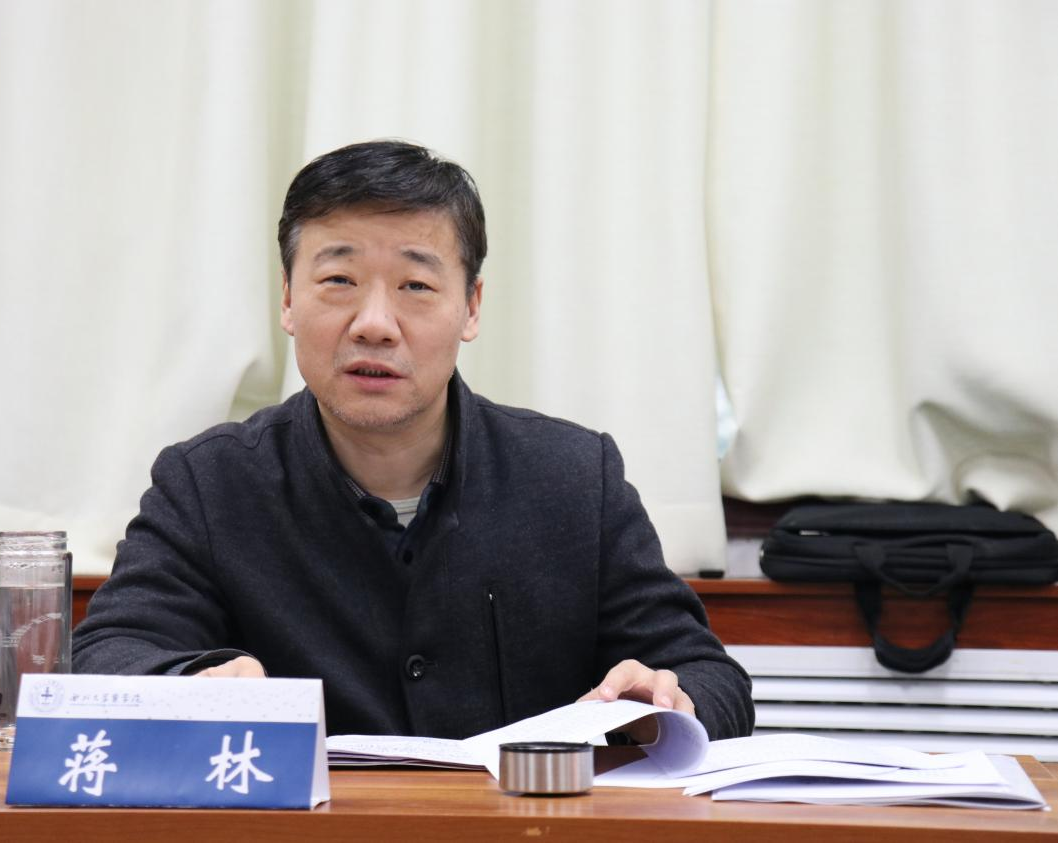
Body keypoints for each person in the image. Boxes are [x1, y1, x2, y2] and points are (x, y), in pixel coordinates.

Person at [72, 140, 754, 741]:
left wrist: (664, 702)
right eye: (338, 280)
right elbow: (106, 655)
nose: (374, 323)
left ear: (471, 307)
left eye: (416, 285)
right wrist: (193, 682)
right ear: (287, 299)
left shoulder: (574, 477)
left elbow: (708, 676)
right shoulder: (209, 483)